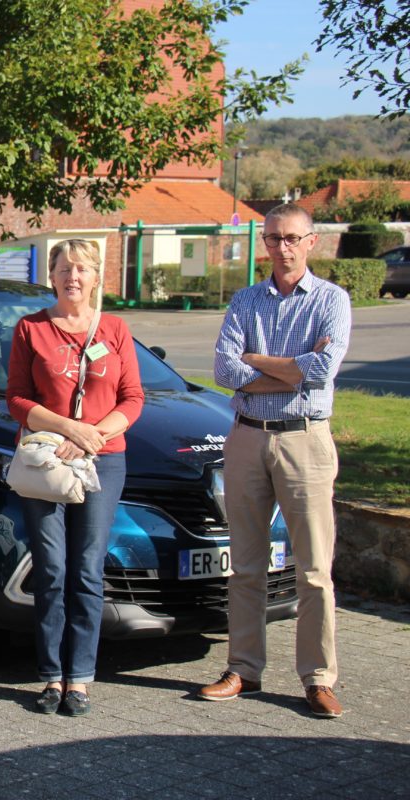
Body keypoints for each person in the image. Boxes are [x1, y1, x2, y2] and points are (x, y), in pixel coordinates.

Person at [199, 203, 352, 719]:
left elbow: (324, 368)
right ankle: (243, 668)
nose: (281, 248)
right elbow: (224, 369)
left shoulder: (332, 300)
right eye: (272, 239)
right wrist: (291, 369)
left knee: (313, 570)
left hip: (305, 442)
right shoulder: (245, 301)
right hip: (245, 439)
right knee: (246, 564)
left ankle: (318, 678)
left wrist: (256, 365)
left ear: (312, 241)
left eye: (291, 238)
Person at [5, 239, 144, 716]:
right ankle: (49, 676)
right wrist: (66, 428)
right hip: (46, 460)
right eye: (65, 268)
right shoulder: (31, 329)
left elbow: (132, 399)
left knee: (87, 569)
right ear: (52, 274)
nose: (73, 277)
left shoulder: (116, 329)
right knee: (52, 569)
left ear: (96, 275)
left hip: (103, 460)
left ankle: (80, 679)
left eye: (82, 269)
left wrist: (91, 437)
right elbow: (17, 399)